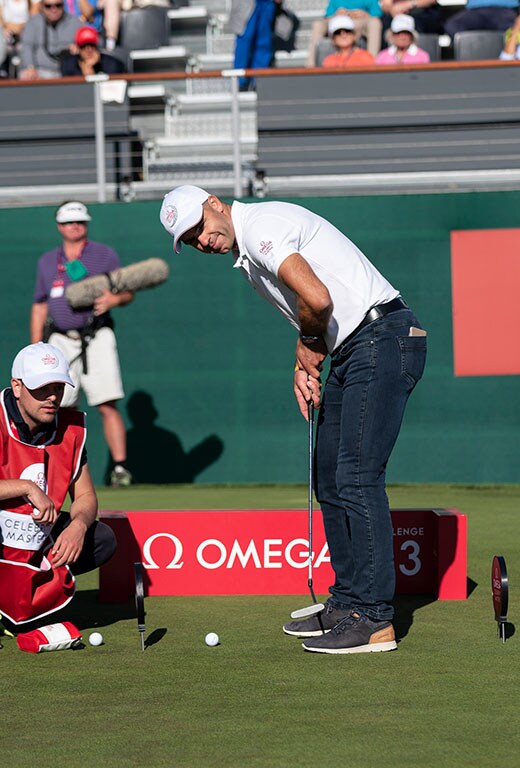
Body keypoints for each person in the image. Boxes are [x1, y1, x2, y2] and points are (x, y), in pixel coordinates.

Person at [159, 186, 427, 655]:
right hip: (354, 348)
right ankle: (348, 602)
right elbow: (316, 313)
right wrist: (307, 363)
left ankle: (375, 618)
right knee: (330, 477)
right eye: (191, 239)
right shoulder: (249, 250)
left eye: (200, 226)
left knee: (358, 477)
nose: (202, 241)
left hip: (382, 339)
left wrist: (307, 345)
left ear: (216, 203)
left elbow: (317, 300)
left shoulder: (261, 226)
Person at [0, 342, 116, 627]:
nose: (52, 397)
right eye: (42, 388)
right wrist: (27, 488)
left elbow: (86, 495)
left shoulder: (71, 429)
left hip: (37, 535)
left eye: (58, 387)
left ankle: (28, 600)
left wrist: (78, 526)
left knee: (102, 539)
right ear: (17, 387)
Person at [30, 201, 134, 488]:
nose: (75, 227)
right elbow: (40, 305)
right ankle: (54, 465)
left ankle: (120, 468)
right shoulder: (48, 261)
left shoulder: (104, 255)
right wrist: (36, 347)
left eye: (80, 222)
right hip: (60, 339)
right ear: (59, 227)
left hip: (96, 336)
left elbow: (126, 293)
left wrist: (115, 299)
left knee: (107, 403)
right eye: (69, 222)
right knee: (57, 406)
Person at [307, 0, 382, 66]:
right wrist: (337, 14)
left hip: (360, 21)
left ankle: (373, 63)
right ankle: (310, 67)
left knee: (375, 22)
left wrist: (366, 15)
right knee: (317, 24)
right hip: (338, 20)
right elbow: (328, 14)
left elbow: (377, 14)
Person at [18, 0, 81, 79]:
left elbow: (94, 43)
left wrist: (80, 47)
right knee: (26, 75)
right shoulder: (33, 22)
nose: (54, 10)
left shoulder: (75, 22)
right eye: (48, 6)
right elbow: (27, 47)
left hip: (67, 72)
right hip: (39, 71)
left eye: (58, 5)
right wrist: (30, 67)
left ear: (63, 5)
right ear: (42, 6)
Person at [229, 0, 277, 91]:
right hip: (247, 3)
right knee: (245, 39)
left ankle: (258, 81)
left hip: (266, 3)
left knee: (263, 42)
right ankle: (240, 82)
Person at [60, 24, 125, 74]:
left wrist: (91, 70)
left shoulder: (112, 65)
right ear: (78, 48)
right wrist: (87, 68)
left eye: (91, 45)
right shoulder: (68, 65)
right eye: (84, 46)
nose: (88, 50)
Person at [444, 0, 518, 38]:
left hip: (504, 9)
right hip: (475, 10)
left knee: (512, 29)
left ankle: (507, 55)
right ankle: (473, 52)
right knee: (452, 25)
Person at [379, 0, 443, 42]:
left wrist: (409, 4)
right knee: (382, 25)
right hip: (395, 12)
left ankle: (420, 57)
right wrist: (393, 9)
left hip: (421, 10)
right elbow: (385, 4)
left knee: (419, 24)